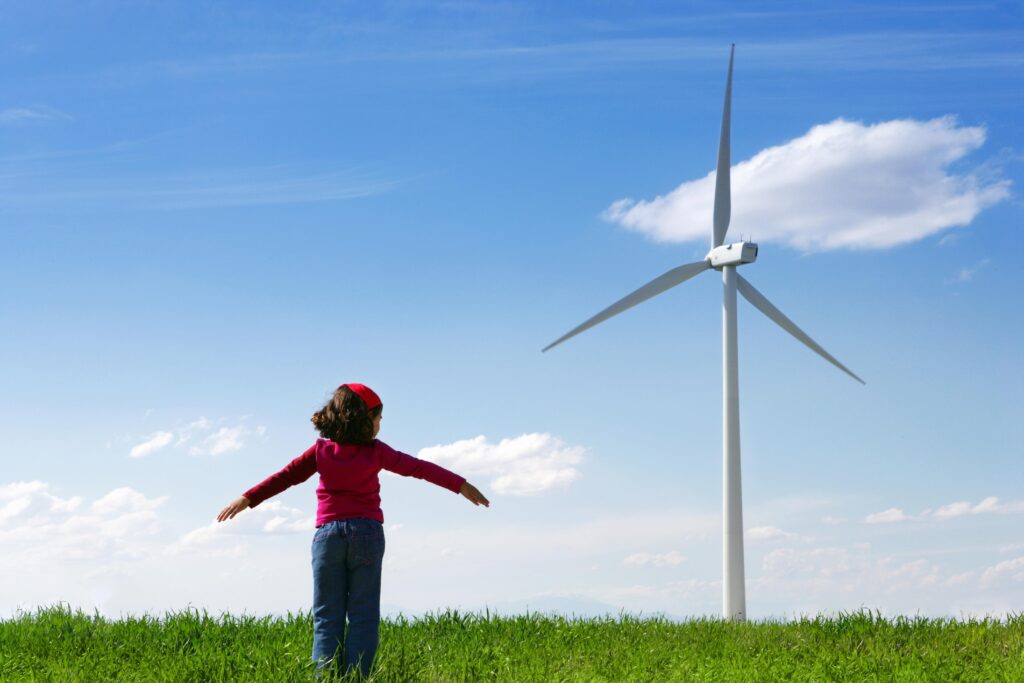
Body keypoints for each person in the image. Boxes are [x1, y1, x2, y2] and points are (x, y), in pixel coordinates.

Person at [217, 383, 489, 678]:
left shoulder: (320, 451)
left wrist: (249, 497)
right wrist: (459, 484)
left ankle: (326, 678)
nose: (380, 425)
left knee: (326, 617)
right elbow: (418, 467)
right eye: (378, 418)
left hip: (327, 537)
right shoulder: (376, 452)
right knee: (363, 615)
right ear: (364, 419)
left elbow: (286, 477)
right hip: (367, 534)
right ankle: (358, 677)